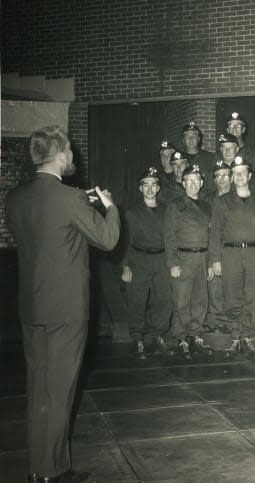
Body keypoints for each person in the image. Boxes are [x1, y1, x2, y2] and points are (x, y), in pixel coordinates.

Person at [7, 126, 120, 483]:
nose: (73, 156)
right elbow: (107, 239)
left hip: (31, 307)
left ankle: (41, 467)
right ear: (58, 154)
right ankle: (51, 473)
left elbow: (47, 228)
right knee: (60, 390)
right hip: (66, 310)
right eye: (70, 151)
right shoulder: (70, 198)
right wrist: (109, 206)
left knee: (39, 388)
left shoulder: (15, 198)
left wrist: (77, 203)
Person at [210, 156, 255, 359]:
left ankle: (248, 335)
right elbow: (215, 232)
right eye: (236, 173)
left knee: (254, 295)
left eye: (243, 172)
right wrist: (215, 260)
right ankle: (236, 335)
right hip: (230, 253)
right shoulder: (221, 201)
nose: (240, 176)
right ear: (232, 177)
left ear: (250, 175)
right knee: (232, 295)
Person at [122, 167, 173, 359]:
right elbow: (126, 241)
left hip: (161, 259)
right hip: (139, 259)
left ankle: (159, 335)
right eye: (146, 185)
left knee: (163, 299)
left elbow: (170, 237)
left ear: (158, 188)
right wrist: (126, 266)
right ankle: (138, 337)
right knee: (137, 299)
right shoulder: (132, 212)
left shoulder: (166, 210)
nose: (150, 189)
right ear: (140, 188)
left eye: (154, 185)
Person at [164, 165, 213, 360]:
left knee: (200, 299)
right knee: (182, 300)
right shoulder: (175, 206)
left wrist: (209, 263)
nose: (193, 184)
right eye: (189, 181)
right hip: (183, 258)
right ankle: (181, 337)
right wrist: (173, 263)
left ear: (201, 183)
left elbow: (210, 236)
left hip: (202, 257)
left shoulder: (207, 207)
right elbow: (169, 236)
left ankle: (195, 334)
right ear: (183, 183)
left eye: (196, 180)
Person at [205, 161, 233, 334]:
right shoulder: (207, 200)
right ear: (214, 180)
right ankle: (216, 321)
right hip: (214, 247)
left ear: (231, 177)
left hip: (233, 248)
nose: (222, 179)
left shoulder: (239, 197)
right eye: (218, 176)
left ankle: (233, 322)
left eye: (225, 175)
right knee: (215, 285)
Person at [181, 121, 218, 195]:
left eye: (194, 136)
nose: (191, 139)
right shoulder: (178, 159)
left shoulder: (209, 158)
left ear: (199, 139)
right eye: (187, 136)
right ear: (183, 140)